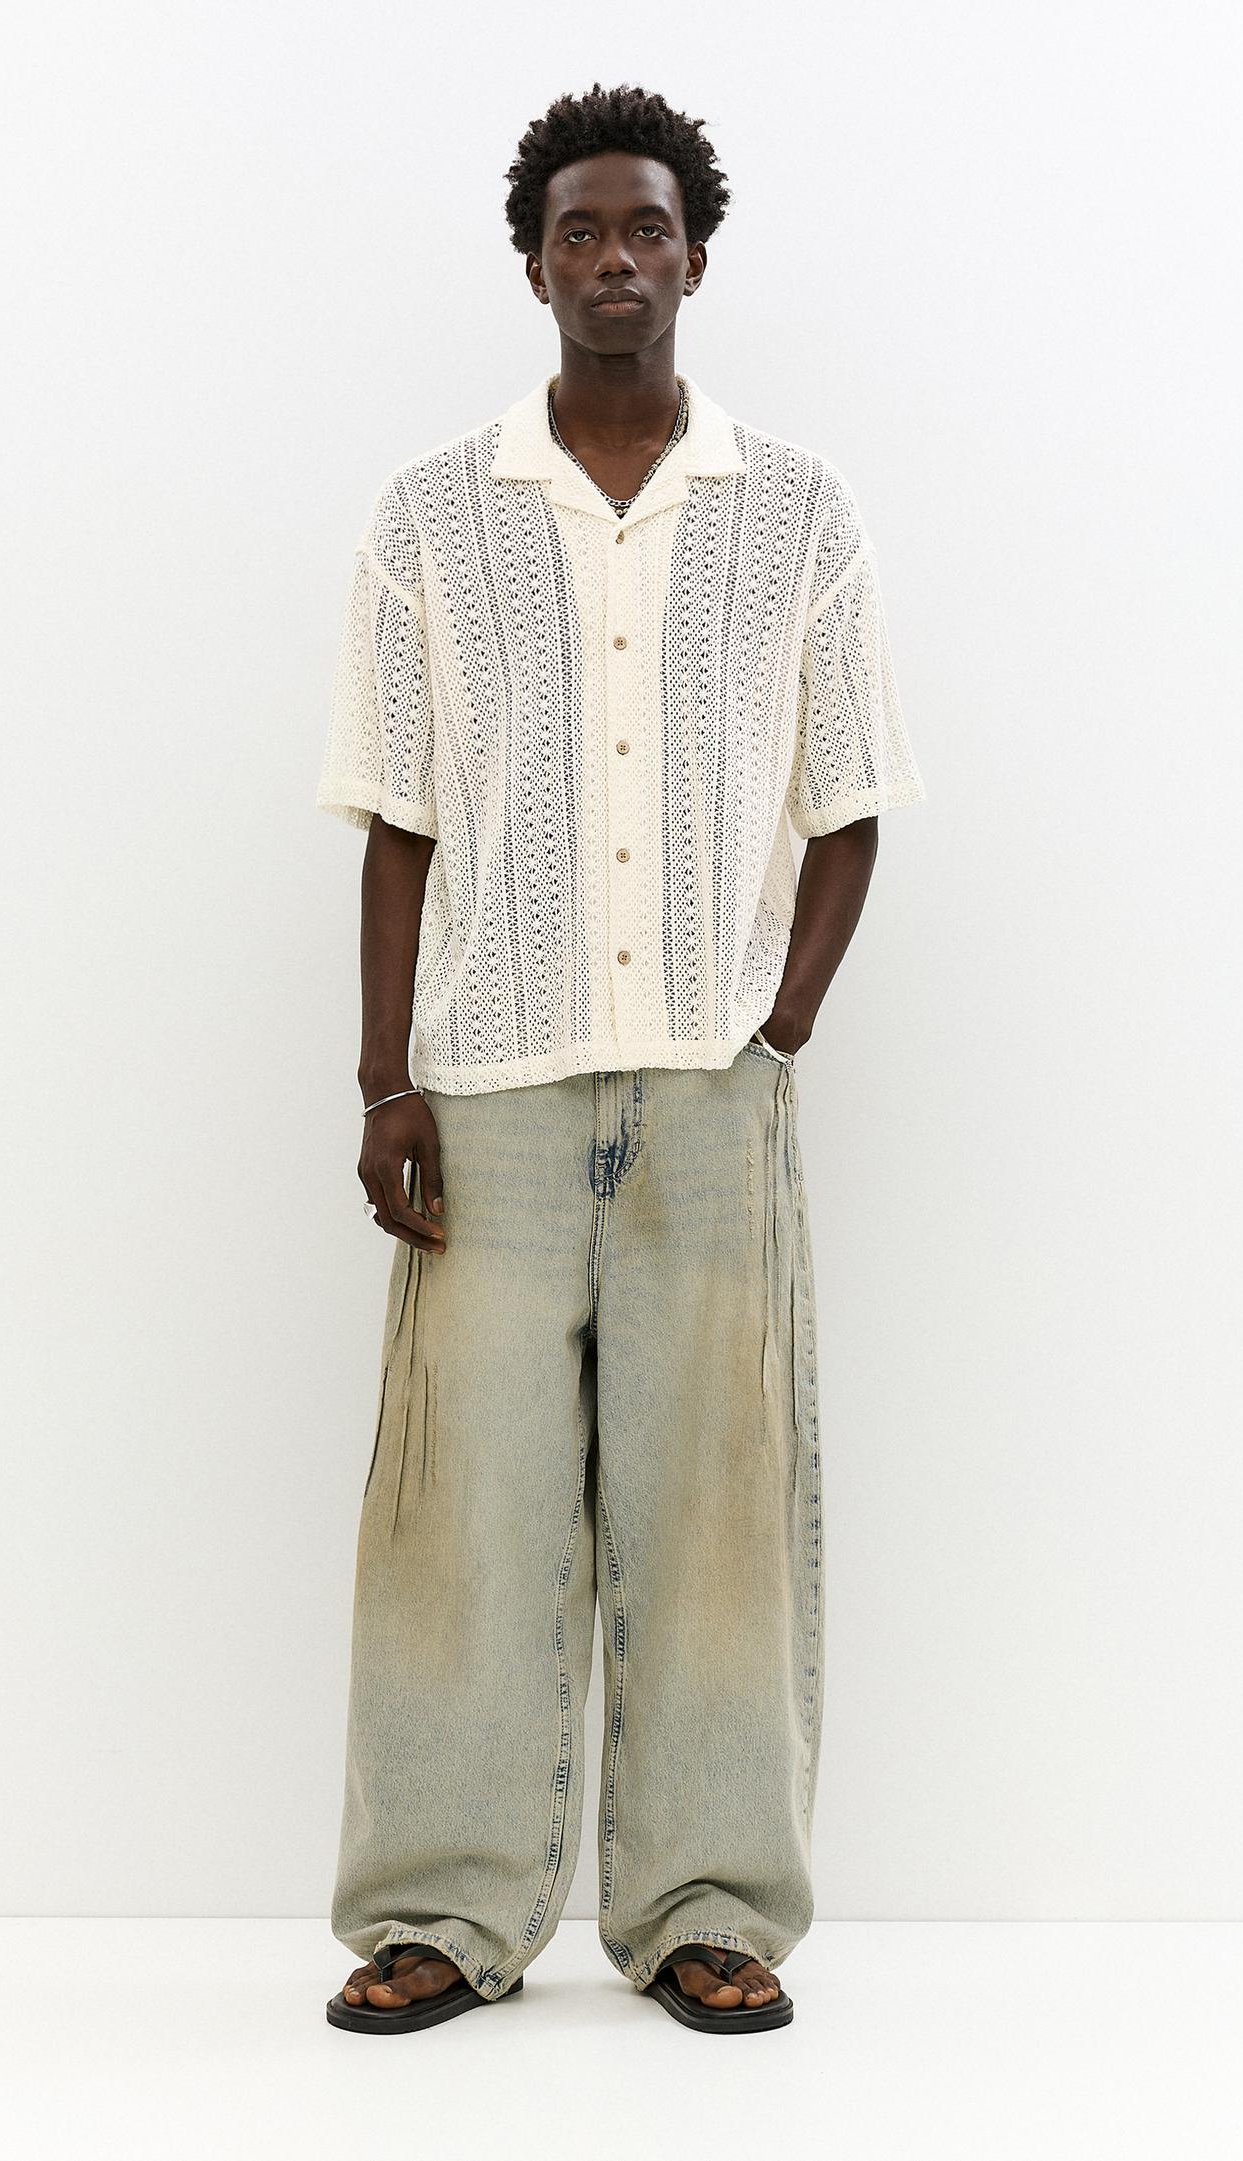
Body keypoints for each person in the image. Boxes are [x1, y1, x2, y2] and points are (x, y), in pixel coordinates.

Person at [315, 80, 926, 2035]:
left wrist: (777, 1022)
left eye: (643, 228)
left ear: (693, 256)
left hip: (708, 1086)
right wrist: (385, 1081)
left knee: (715, 1506)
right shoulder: (430, 515)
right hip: (485, 1086)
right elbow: (399, 820)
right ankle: (444, 1906)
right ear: (534, 265)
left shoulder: (800, 510)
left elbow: (851, 803)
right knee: (465, 1515)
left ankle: (709, 1905)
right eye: (577, 231)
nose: (611, 260)